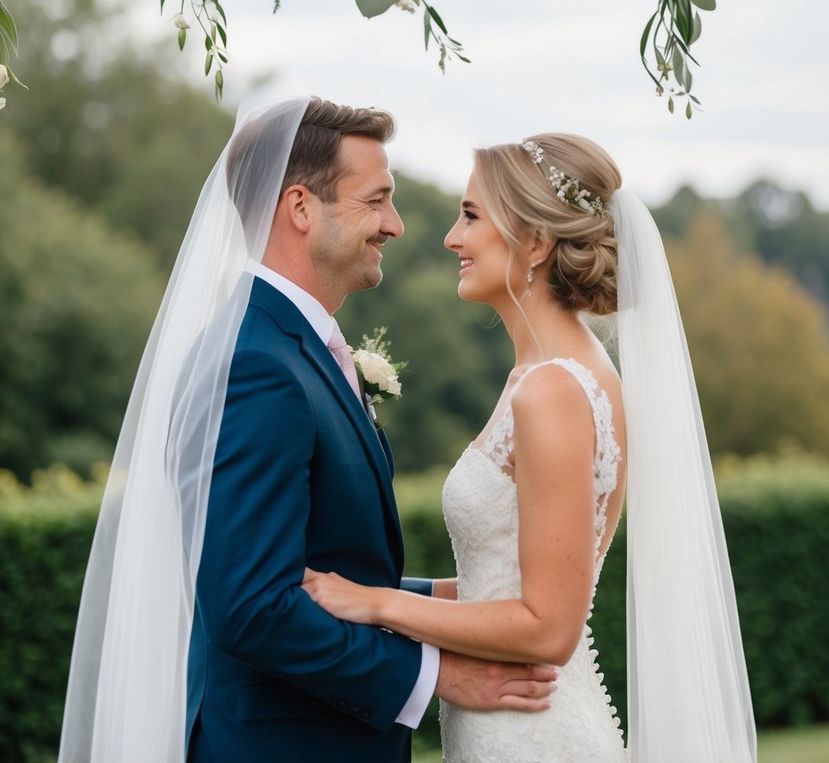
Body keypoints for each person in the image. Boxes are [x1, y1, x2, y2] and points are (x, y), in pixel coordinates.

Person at [58, 97, 556, 763]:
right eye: (376, 201)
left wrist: (439, 598)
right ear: (300, 208)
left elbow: (317, 570)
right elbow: (251, 604)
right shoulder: (254, 364)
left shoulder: (296, 348)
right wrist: (437, 675)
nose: (397, 226)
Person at [304, 132, 758, 763]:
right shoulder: (549, 374)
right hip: (505, 723)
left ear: (537, 242)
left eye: (470, 216)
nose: (451, 239)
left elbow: (548, 626)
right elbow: (503, 583)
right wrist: (369, 592)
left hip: (531, 734)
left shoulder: (553, 391)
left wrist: (376, 602)